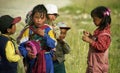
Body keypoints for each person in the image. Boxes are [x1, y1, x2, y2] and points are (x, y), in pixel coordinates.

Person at [17, 4, 56, 73]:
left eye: (42, 18)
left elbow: (53, 45)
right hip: (32, 60)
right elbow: (21, 46)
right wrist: (27, 54)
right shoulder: (28, 30)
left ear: (46, 18)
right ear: (32, 17)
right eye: (36, 17)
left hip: (47, 60)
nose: (39, 20)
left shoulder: (48, 30)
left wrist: (45, 35)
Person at [82, 6, 111, 73]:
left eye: (95, 19)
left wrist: (89, 40)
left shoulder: (104, 33)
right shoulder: (100, 30)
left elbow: (101, 47)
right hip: (94, 64)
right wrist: (90, 36)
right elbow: (97, 41)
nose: (93, 21)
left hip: (98, 66)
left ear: (102, 19)